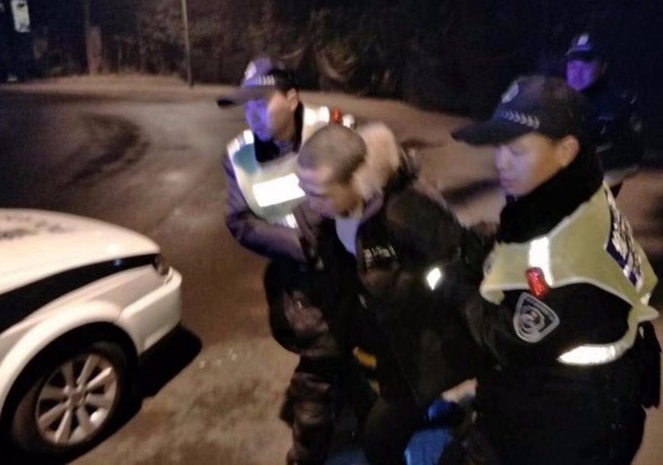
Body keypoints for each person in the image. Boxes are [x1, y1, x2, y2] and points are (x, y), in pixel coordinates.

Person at [443, 75, 660, 465]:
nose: (501, 161)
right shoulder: (580, 191)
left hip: (567, 423)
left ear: (566, 150)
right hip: (600, 395)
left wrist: (458, 288)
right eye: (498, 147)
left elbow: (509, 338)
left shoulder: (564, 259)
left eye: (516, 151)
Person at [296, 123, 490, 465]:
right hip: (390, 342)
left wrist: (411, 289)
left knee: (380, 441)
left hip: (425, 351)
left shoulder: (406, 210)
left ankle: (458, 419)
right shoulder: (341, 212)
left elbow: (458, 268)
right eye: (305, 191)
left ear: (357, 181)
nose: (311, 204)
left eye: (320, 194)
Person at [218, 57, 372, 465]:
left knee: (353, 350)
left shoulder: (332, 127)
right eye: (246, 105)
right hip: (300, 281)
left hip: (352, 268)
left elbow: (368, 186)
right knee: (319, 368)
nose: (252, 114)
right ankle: (310, 450)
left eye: (261, 102)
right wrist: (299, 245)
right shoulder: (239, 156)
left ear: (291, 98)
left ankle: (364, 415)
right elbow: (239, 221)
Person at [565, 32, 645, 197]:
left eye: (586, 66)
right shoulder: (555, 98)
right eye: (573, 66)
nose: (577, 73)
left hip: (604, 179)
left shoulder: (619, 102)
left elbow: (630, 157)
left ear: (603, 67)